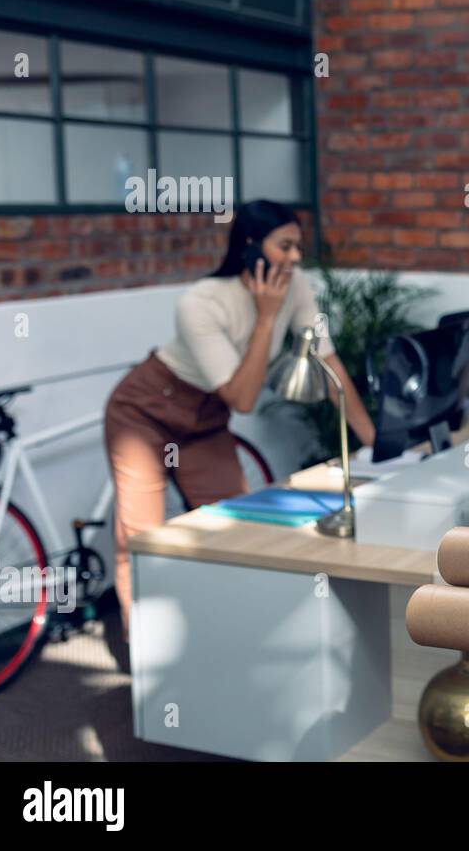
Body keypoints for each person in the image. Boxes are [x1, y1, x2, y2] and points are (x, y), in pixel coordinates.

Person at [102, 200, 375, 642]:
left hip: (204, 418)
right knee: (141, 539)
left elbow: (327, 363)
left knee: (240, 530)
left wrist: (374, 443)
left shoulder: (296, 284)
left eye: (298, 247)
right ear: (250, 246)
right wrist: (267, 317)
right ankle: (146, 661)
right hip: (145, 411)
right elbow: (243, 399)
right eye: (284, 246)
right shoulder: (201, 302)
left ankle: (233, 641)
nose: (294, 258)